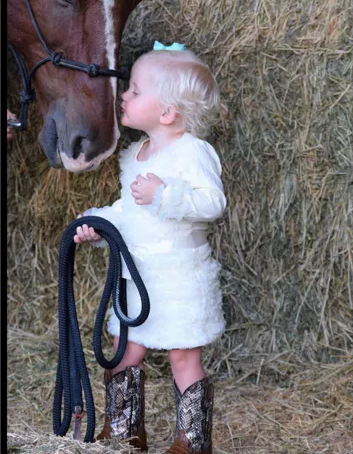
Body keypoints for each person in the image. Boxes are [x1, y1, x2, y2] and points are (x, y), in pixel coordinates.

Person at [74, 41, 227, 454]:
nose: (124, 94)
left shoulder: (193, 153)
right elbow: (129, 210)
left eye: (136, 90)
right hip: (137, 279)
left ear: (167, 113)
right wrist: (98, 223)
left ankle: (192, 442)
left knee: (183, 358)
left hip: (179, 279)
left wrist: (166, 194)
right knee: (125, 352)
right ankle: (125, 432)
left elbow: (213, 203)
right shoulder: (134, 155)